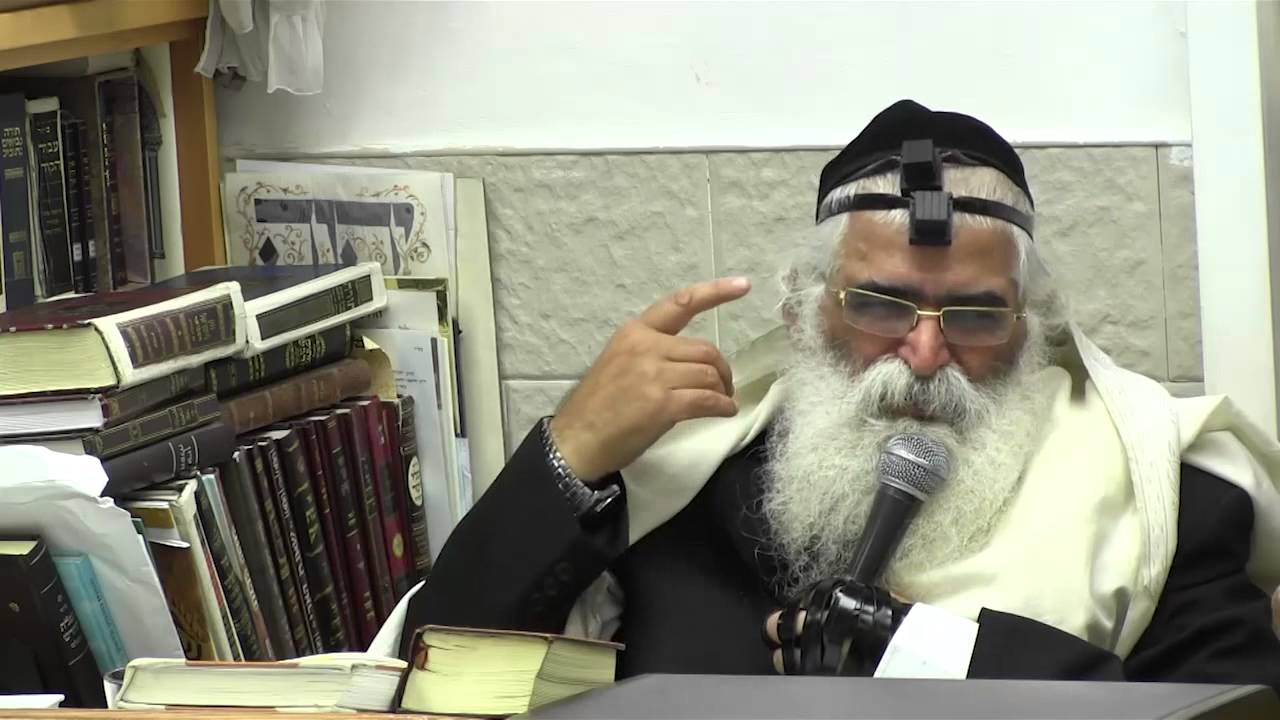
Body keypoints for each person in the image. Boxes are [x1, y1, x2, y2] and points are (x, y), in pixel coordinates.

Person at [388, 100, 1280, 688]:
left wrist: (935, 657)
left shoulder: (1156, 496)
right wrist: (571, 453)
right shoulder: (687, 486)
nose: (923, 354)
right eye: (881, 305)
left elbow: (1232, 708)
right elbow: (439, 682)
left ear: (1030, 327)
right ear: (805, 312)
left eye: (974, 316)